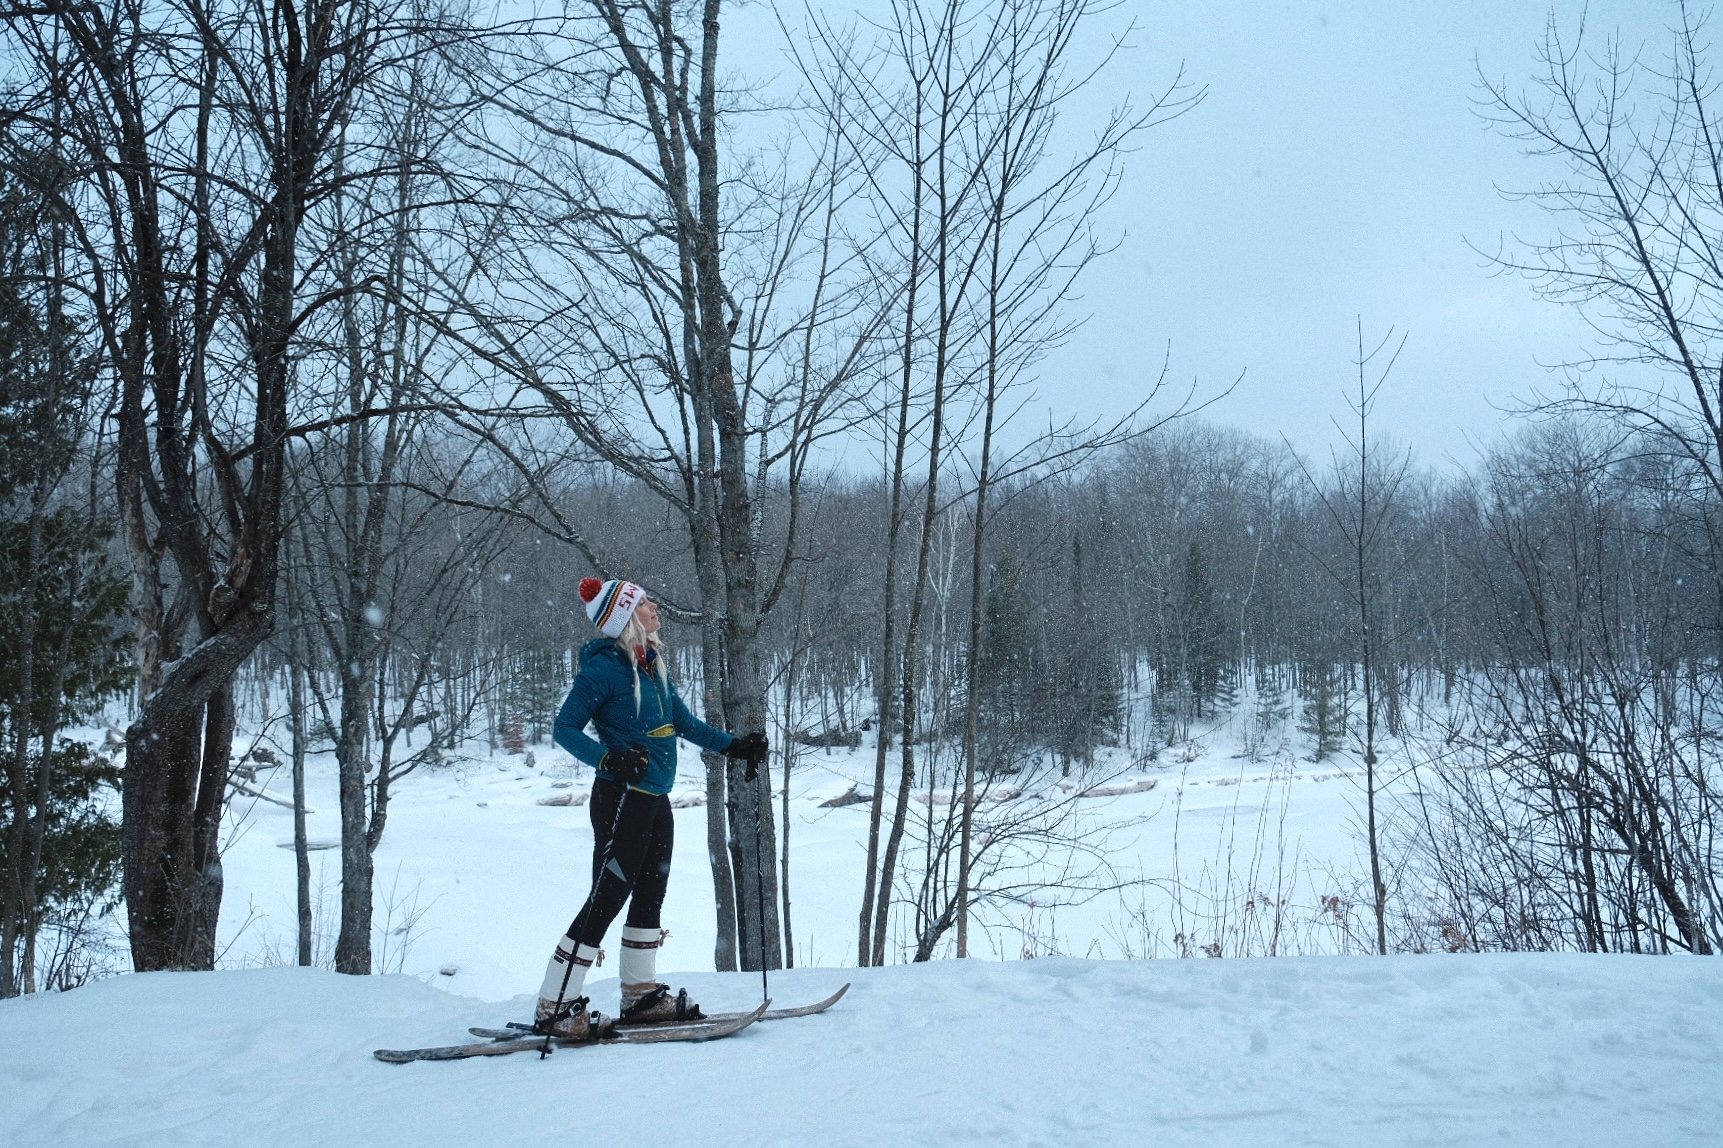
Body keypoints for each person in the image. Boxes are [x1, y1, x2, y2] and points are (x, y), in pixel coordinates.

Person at [532, 576, 767, 1038]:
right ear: (625, 618)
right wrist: (608, 758)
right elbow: (564, 729)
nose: (655, 608)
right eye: (644, 604)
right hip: (621, 800)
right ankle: (554, 1005)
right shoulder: (603, 671)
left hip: (655, 799)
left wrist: (733, 746)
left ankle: (639, 995)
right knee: (606, 899)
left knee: (650, 893)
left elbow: (679, 720)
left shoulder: (650, 664)